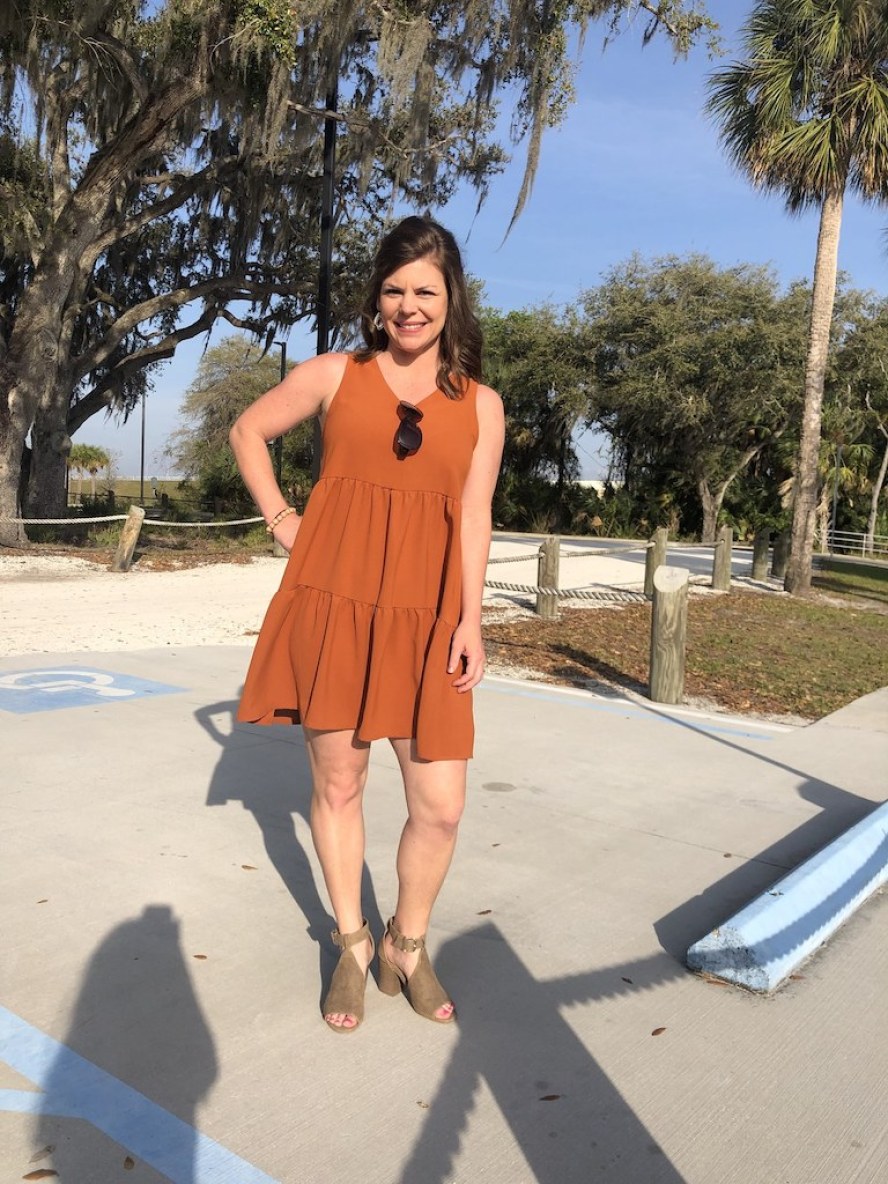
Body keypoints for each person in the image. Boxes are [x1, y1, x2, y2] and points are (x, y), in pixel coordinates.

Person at [229, 216, 505, 1033]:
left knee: (441, 805)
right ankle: (351, 942)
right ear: (376, 299)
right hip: (335, 602)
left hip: (429, 621)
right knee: (339, 786)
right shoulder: (334, 373)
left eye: (425, 291)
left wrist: (471, 620)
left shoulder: (481, 404)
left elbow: (475, 513)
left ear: (451, 298)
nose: (409, 306)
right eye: (395, 291)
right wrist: (284, 519)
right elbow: (248, 430)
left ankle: (406, 944)